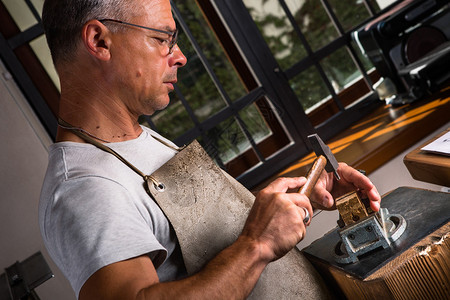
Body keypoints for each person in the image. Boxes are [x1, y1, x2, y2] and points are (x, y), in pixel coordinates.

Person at [39, 0, 381, 299]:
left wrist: (296, 200)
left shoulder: (137, 141)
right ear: (100, 41)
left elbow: (205, 248)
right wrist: (256, 245)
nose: (181, 57)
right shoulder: (84, 189)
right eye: (161, 39)